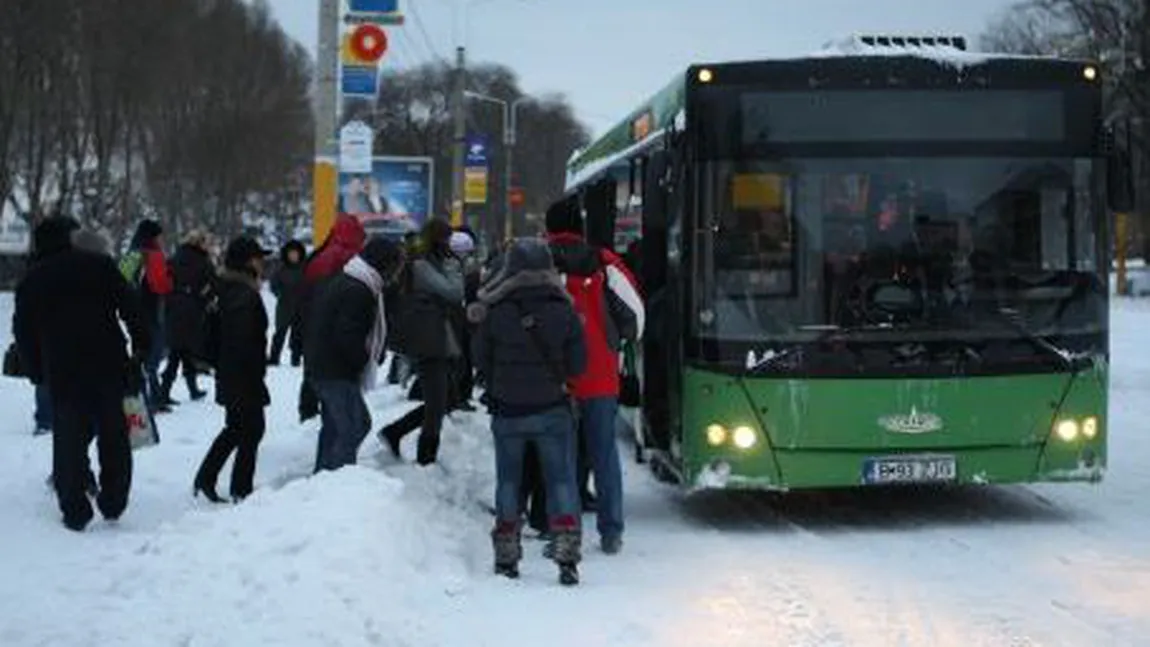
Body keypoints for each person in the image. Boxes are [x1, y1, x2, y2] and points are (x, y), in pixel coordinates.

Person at [14, 218, 148, 531]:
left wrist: (36, 370)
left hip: (62, 368)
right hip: (108, 359)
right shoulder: (99, 265)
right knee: (114, 431)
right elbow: (130, 305)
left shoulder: (33, 280)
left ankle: (75, 508)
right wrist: (142, 344)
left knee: (69, 437)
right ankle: (114, 499)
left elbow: (23, 331)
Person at [469, 238, 587, 585]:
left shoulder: (496, 309)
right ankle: (566, 553)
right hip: (552, 408)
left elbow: (480, 359)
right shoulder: (564, 309)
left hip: (507, 409)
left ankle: (507, 555)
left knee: (509, 480)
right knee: (561, 479)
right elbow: (579, 364)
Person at [545, 206, 644, 555]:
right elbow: (635, 315)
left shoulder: (540, 261)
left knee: (561, 458)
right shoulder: (604, 262)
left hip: (554, 377)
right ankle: (611, 531)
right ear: (581, 227)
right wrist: (617, 344)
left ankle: (563, 533)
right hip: (602, 374)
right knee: (604, 454)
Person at [307, 237, 405, 472]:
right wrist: (363, 360)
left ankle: (322, 478)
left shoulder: (354, 280)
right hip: (335, 370)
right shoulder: (359, 289)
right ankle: (336, 481)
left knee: (336, 427)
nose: (397, 273)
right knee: (353, 427)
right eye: (396, 266)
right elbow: (347, 336)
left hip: (325, 366)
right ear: (384, 264)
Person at [379, 218, 464, 466]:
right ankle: (425, 458)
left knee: (446, 398)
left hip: (432, 337)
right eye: (447, 239)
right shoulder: (423, 266)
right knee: (438, 402)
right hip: (428, 340)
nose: (450, 245)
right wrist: (451, 267)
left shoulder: (423, 262)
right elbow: (454, 293)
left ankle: (395, 432)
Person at [193, 237, 271, 503]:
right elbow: (242, 338)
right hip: (241, 372)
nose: (263, 263)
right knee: (250, 429)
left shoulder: (229, 286)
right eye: (259, 258)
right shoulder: (242, 292)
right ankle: (240, 489)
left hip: (231, 370)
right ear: (249, 261)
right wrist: (252, 372)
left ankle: (208, 478)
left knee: (238, 428)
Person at [297, 215, 366, 423]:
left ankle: (308, 407)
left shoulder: (320, 254)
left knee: (315, 371)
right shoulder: (350, 257)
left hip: (312, 324)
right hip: (337, 331)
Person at [120, 219, 174, 412]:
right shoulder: (153, 256)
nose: (161, 239)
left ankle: (144, 396)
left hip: (134, 313)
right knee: (152, 356)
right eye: (159, 235)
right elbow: (161, 285)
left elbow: (121, 280)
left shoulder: (132, 254)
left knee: (141, 353)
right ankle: (151, 398)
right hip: (152, 312)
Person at [160, 229, 215, 403]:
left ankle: (190, 388)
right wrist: (204, 299)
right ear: (200, 243)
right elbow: (212, 284)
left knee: (182, 349)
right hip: (191, 307)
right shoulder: (203, 262)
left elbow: (165, 279)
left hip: (173, 305)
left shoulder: (175, 258)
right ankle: (165, 391)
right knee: (179, 351)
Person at [269, 240, 307, 366]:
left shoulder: (305, 268)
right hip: (284, 306)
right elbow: (273, 284)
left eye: (295, 253)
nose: (293, 256)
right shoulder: (281, 269)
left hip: (300, 307)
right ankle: (274, 357)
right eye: (291, 253)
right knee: (280, 333)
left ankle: (295, 358)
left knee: (297, 334)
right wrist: (280, 294)